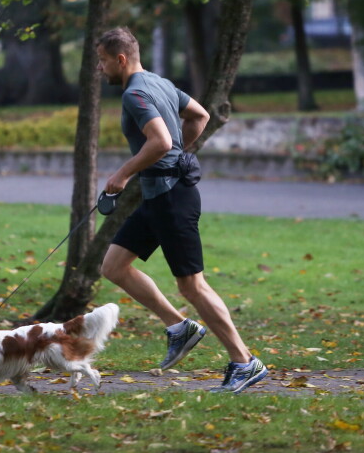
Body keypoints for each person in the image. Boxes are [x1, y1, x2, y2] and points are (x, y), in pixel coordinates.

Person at [97, 27, 267, 393]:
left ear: (120, 59)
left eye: (102, 60)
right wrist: (178, 155)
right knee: (113, 266)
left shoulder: (135, 94)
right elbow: (201, 116)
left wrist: (123, 174)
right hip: (161, 196)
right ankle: (179, 326)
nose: (100, 68)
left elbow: (159, 141)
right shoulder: (160, 83)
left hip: (172, 199)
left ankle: (245, 362)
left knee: (193, 285)